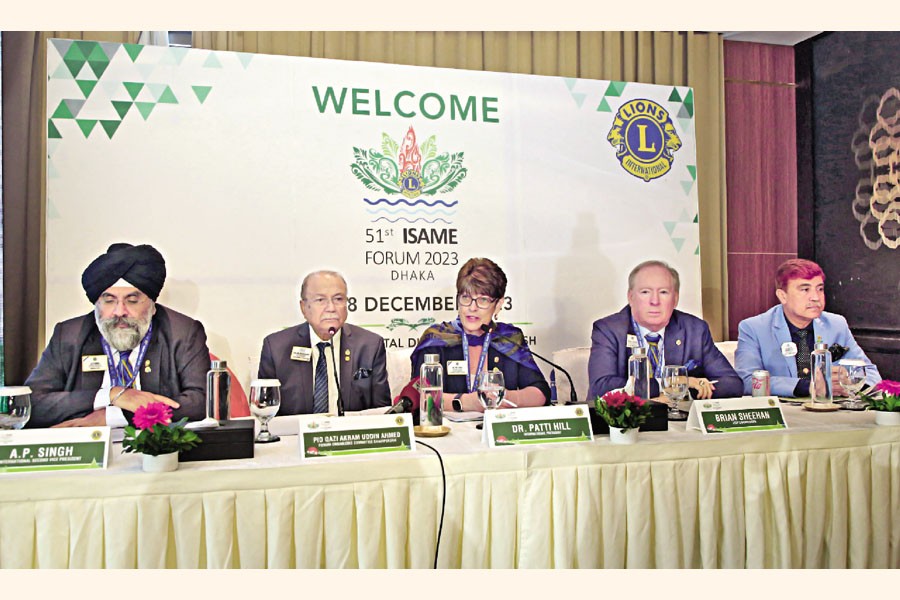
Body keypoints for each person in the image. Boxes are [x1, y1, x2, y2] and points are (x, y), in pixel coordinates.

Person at [25, 243, 209, 428]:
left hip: (154, 451)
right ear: (97, 303)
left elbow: (201, 402)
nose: (119, 311)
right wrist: (113, 395)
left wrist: (112, 417)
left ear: (152, 306)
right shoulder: (68, 335)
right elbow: (29, 404)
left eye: (132, 300)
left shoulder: (183, 333)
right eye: (109, 300)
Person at [588, 260, 743, 401]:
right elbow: (602, 386)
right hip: (624, 425)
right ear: (630, 297)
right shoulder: (609, 330)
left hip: (679, 424)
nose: (654, 301)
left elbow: (732, 383)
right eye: (645, 292)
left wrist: (680, 395)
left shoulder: (695, 329)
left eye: (663, 292)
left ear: (675, 299)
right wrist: (672, 383)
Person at [410, 258, 550, 413]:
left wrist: (509, 397)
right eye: (466, 298)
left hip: (500, 431)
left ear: (498, 304)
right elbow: (418, 396)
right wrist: (464, 402)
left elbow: (541, 391)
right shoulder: (436, 339)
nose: (472, 307)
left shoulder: (508, 339)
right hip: (447, 432)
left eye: (483, 300)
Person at [735, 258, 882, 397]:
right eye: (805, 290)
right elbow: (747, 381)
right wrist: (807, 387)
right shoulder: (754, 328)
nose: (816, 297)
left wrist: (851, 381)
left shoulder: (836, 324)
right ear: (782, 296)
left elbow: (871, 373)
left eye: (820, 289)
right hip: (785, 412)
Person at [257, 270, 391, 414]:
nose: (331, 308)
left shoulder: (370, 346)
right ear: (304, 307)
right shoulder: (276, 347)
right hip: (294, 435)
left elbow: (382, 413)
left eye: (338, 299)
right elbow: (265, 414)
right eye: (320, 300)